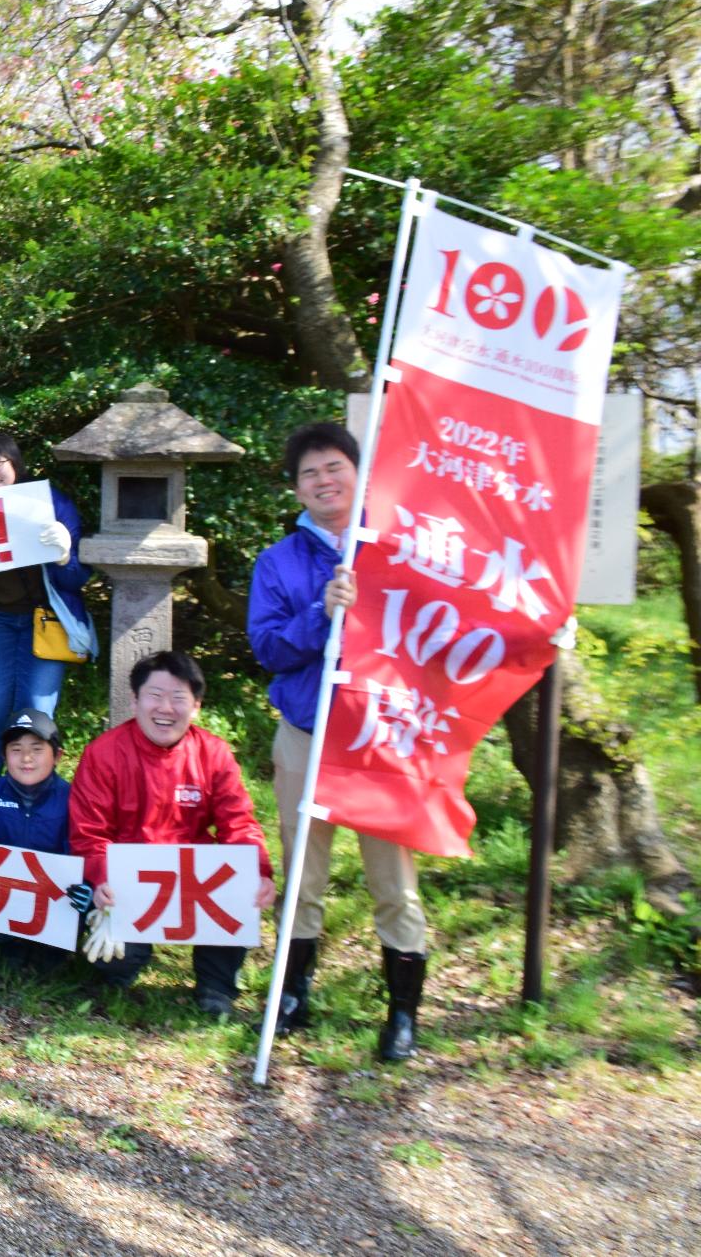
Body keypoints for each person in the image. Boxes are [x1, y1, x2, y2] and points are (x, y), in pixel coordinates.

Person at [249, 422, 429, 1060]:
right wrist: (320, 612)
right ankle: (293, 994)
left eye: (334, 468)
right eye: (310, 474)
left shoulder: (403, 548)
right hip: (305, 734)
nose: (324, 482)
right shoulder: (279, 562)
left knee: (393, 879)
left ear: (357, 473)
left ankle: (402, 1012)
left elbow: (437, 631)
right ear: (296, 488)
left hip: (382, 740)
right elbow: (268, 647)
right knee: (304, 872)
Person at [69, 652, 277, 1016]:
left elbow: (238, 822)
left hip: (193, 881)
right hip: (127, 881)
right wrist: (101, 878)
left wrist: (259, 871)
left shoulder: (213, 753)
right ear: (134, 700)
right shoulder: (103, 754)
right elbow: (88, 833)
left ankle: (216, 985)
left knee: (240, 877)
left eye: (179, 698)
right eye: (154, 695)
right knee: (114, 959)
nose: (165, 708)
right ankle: (122, 968)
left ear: (195, 706)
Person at [0, 431, 94, 783]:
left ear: (14, 462)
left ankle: (35, 798)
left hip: (44, 621)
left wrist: (64, 557)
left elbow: (77, 578)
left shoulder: (50, 503)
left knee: (38, 711)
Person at [0, 709, 75, 974]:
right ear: (3, 756)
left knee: (82, 902)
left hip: (56, 898)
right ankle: (12, 941)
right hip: (6, 896)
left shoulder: (73, 799)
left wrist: (85, 889)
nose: (26, 758)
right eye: (16, 749)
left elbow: (79, 855)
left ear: (57, 756)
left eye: (37, 749)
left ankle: (53, 946)